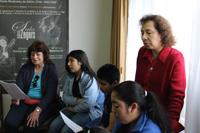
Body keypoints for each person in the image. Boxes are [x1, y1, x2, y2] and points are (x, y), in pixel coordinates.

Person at [135, 14, 186, 133]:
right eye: (142, 32)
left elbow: (177, 96)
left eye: (148, 32)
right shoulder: (142, 52)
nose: (143, 37)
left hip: (162, 117)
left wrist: (169, 125)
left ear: (162, 34)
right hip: (141, 113)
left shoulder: (175, 57)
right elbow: (138, 85)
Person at [4, 40, 59, 133]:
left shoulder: (51, 69)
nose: (35, 57)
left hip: (42, 104)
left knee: (30, 126)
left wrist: (38, 110)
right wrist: (16, 97)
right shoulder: (25, 67)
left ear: (44, 55)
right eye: (32, 54)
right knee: (9, 123)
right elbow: (19, 85)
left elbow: (51, 94)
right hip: (24, 102)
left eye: (38, 54)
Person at [49, 50, 104, 133]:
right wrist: (77, 100)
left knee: (65, 131)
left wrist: (74, 109)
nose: (68, 64)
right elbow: (65, 97)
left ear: (80, 62)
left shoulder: (89, 79)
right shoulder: (69, 76)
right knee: (53, 126)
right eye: (68, 61)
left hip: (90, 111)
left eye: (71, 61)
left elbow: (88, 104)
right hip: (72, 107)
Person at [97, 64, 120, 131]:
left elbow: (111, 128)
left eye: (103, 84)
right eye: (99, 83)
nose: (100, 87)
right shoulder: (107, 93)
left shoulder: (117, 101)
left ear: (115, 83)